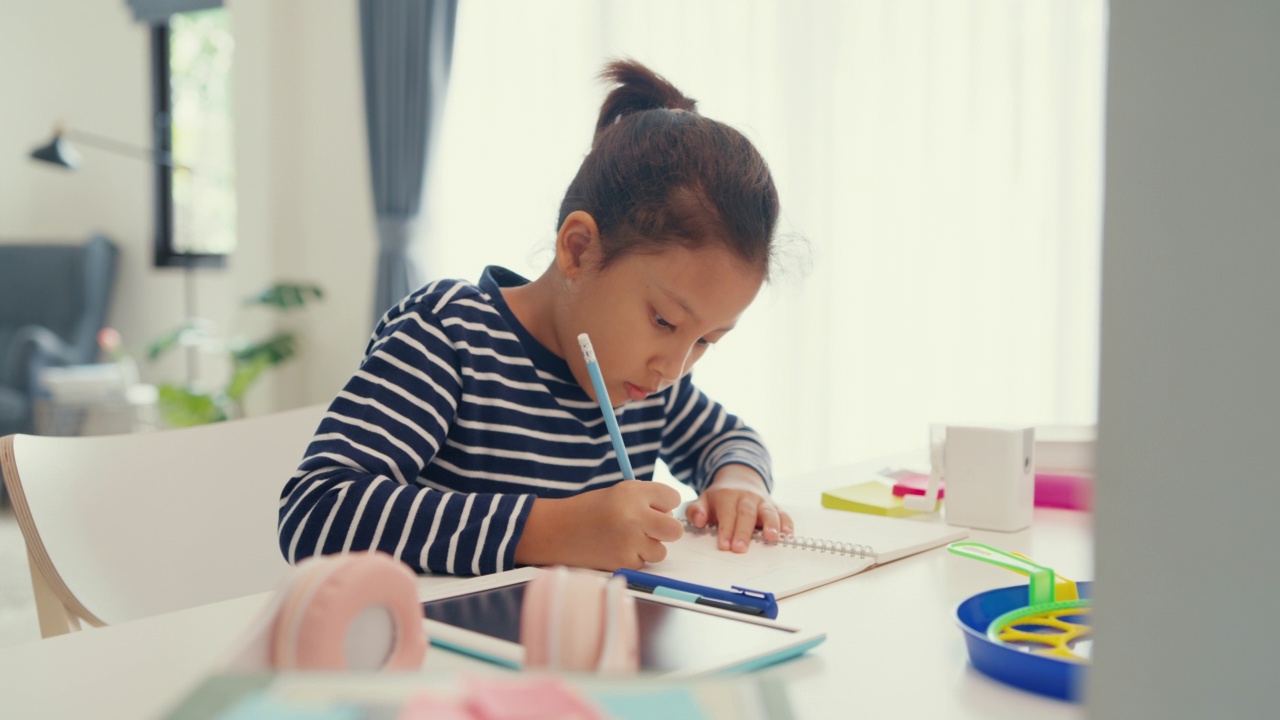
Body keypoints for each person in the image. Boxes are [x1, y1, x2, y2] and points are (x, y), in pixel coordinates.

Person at [278, 59, 793, 576]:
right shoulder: (449, 337)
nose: (675, 367)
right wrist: (551, 530)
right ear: (579, 249)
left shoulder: (646, 387)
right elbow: (315, 512)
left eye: (706, 340)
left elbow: (731, 440)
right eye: (663, 320)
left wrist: (739, 484)